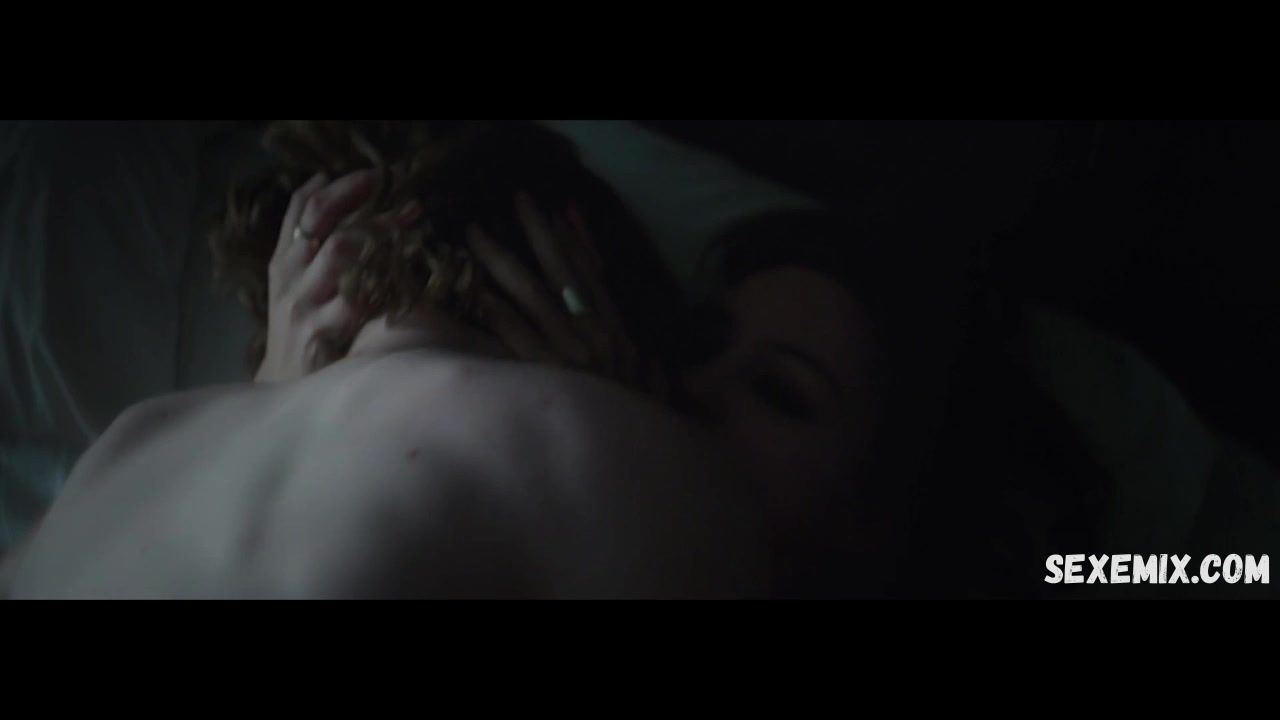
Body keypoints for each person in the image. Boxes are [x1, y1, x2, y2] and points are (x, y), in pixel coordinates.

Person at [3, 121, 889, 598]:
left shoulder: (136, 442)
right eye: (689, 345)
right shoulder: (651, 478)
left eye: (783, 393)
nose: (688, 390)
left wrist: (268, 398)